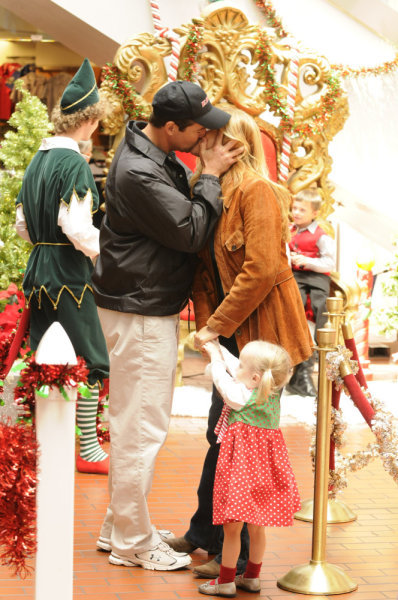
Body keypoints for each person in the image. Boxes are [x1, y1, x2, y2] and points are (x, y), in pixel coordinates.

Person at [91, 80, 244, 571]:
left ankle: (120, 525)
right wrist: (212, 174)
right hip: (140, 308)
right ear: (171, 126)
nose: (209, 136)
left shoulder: (148, 150)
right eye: (202, 129)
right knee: (142, 428)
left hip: (139, 302)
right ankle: (133, 544)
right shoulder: (140, 170)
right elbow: (192, 230)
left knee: (133, 420)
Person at [167, 106, 312, 578]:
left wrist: (213, 328)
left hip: (265, 339)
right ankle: (206, 536)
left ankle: (239, 558)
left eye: (210, 138)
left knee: (242, 442)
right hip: (234, 336)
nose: (200, 144)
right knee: (221, 436)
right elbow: (205, 275)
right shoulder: (216, 191)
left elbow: (262, 269)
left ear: (234, 145)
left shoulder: (258, 191)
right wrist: (211, 334)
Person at [15, 58, 110, 475]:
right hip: (69, 274)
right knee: (90, 359)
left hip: (39, 269)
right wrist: (102, 252)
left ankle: (44, 440)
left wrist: (45, 244)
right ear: (89, 121)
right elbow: (76, 226)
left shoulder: (37, 161)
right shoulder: (73, 163)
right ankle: (87, 447)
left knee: (46, 357)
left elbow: (22, 226)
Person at [197, 339, 300, 597]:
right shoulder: (271, 392)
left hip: (240, 474)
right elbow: (236, 367)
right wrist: (218, 347)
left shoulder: (241, 396)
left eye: (243, 365)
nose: (237, 367)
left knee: (232, 528)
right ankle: (252, 577)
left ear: (255, 376)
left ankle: (226, 581)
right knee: (257, 526)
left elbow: (223, 380)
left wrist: (214, 357)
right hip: (264, 474)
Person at [286, 188, 336, 396]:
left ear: (314, 213)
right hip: (294, 277)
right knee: (292, 311)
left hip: (316, 278)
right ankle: (297, 372)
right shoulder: (288, 230)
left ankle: (305, 373)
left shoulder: (321, 236)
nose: (296, 213)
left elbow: (329, 263)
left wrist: (307, 261)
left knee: (319, 310)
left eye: (302, 210)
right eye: (294, 208)